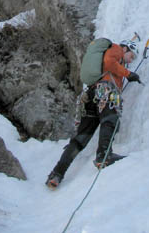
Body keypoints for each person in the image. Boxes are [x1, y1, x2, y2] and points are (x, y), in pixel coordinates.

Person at [46, 39, 142, 189]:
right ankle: (104, 156)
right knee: (110, 119)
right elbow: (109, 62)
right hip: (104, 91)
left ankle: (56, 174)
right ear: (125, 49)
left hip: (91, 96)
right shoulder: (116, 49)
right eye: (132, 55)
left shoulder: (115, 64)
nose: (131, 60)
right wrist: (128, 74)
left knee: (80, 139)